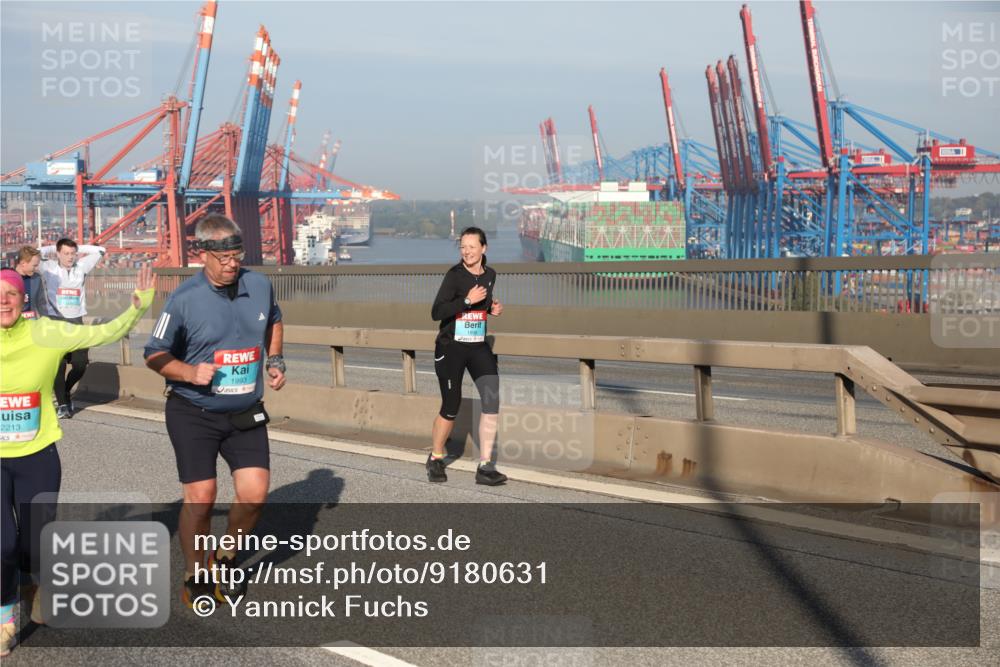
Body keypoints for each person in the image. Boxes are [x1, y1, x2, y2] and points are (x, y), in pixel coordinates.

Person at [0, 266, 154, 657]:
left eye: (11, 294)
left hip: (37, 455)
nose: (3, 300)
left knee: (34, 542)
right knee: (2, 544)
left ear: (23, 299)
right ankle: (4, 620)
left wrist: (137, 307)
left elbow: (100, 333)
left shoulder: (46, 333)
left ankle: (35, 585)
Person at [143, 214, 285, 610]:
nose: (231, 264)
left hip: (244, 411)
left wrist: (275, 359)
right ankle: (195, 572)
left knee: (255, 496)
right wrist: (189, 371)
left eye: (236, 255)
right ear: (202, 254)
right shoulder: (184, 299)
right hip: (193, 411)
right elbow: (154, 353)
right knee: (202, 497)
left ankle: (224, 557)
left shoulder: (258, 285)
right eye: (222, 257)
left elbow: (274, 320)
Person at [427, 227, 507, 486]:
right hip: (451, 347)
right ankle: (436, 457)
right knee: (451, 406)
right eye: (463, 247)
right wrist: (467, 301)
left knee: (492, 400)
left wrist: (491, 308)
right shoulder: (454, 276)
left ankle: (485, 466)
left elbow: (483, 302)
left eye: (472, 246)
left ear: (484, 248)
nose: (467, 251)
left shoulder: (491, 275)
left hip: (477, 345)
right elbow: (437, 311)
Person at [39, 238, 106, 418]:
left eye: (72, 253)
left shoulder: (81, 266)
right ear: (58, 253)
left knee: (80, 364)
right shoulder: (49, 267)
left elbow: (101, 250)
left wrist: (78, 248)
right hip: (55, 322)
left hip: (77, 323)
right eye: (66, 253)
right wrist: (54, 248)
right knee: (58, 366)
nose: (70, 257)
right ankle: (62, 405)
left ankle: (66, 391)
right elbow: (35, 252)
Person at [12, 247, 47, 320]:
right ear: (23, 263)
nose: (37, 268)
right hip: (12, 326)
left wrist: (45, 321)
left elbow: (42, 304)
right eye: (34, 265)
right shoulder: (6, 279)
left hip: (32, 325)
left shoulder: (37, 279)